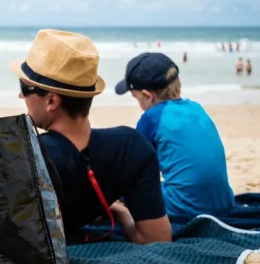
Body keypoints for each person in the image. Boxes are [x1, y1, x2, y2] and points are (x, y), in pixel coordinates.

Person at [10, 29, 171, 245]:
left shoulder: (26, 158)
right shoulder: (131, 149)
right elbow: (157, 239)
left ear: (51, 102)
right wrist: (121, 212)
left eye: (25, 87)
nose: (21, 95)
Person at [116, 53, 234, 220]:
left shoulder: (151, 118)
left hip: (184, 208)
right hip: (224, 203)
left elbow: (136, 170)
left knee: (125, 193)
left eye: (137, 98)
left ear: (148, 96)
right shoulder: (196, 108)